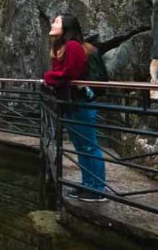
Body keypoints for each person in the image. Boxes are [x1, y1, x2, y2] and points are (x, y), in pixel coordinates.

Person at [43, 14, 107, 202]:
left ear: (66, 27)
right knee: (81, 146)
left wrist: (48, 77)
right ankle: (88, 185)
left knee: (88, 145)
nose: (53, 23)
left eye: (57, 21)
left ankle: (97, 189)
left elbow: (69, 73)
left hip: (81, 103)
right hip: (72, 103)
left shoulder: (72, 46)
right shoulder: (63, 47)